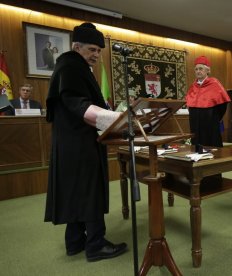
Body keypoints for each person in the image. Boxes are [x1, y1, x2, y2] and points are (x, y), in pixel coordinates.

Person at [44, 22, 127, 262]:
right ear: (76, 47)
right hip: (80, 143)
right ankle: (96, 245)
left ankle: (75, 241)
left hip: (71, 143)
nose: (96, 55)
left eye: (99, 51)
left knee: (75, 192)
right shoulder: (71, 66)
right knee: (90, 192)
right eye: (92, 49)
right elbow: (79, 106)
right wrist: (120, 121)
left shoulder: (71, 66)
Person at [185, 55, 230, 147]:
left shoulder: (215, 84)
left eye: (200, 69)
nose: (198, 71)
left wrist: (214, 116)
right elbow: (190, 105)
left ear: (208, 71)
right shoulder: (192, 87)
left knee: (211, 146)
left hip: (210, 122)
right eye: (196, 69)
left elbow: (223, 105)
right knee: (197, 146)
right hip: (195, 124)